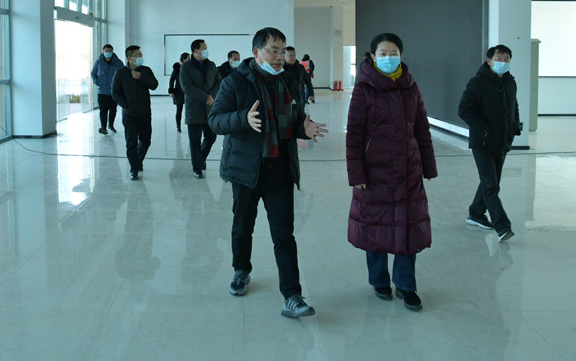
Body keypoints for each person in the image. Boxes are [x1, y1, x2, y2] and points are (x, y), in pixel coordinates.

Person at [208, 27, 328, 318]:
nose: (279, 57)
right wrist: (243, 118)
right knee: (242, 227)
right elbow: (215, 120)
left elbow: (295, 120)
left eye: (282, 51)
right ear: (256, 52)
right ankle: (241, 270)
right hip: (246, 169)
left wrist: (304, 129)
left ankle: (292, 295)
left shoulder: (288, 80)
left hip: (280, 169)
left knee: (284, 234)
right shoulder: (235, 82)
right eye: (273, 50)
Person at [345, 33, 437, 312]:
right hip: (375, 171)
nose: (388, 57)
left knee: (408, 227)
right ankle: (379, 280)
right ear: (373, 57)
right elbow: (354, 134)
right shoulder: (364, 89)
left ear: (401, 55)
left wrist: (428, 165)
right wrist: (356, 174)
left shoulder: (411, 86)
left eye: (393, 53)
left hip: (408, 169)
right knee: (375, 227)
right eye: (383, 53)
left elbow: (421, 127)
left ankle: (406, 285)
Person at [459, 44, 522, 242]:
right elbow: (464, 110)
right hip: (482, 143)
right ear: (489, 61)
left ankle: (476, 213)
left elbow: (513, 107)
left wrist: (515, 127)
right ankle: (502, 226)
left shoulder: (510, 82)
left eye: (507, 59)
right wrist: (483, 129)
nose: (503, 62)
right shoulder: (478, 82)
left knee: (491, 182)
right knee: (491, 186)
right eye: (499, 58)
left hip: (502, 142)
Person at [111, 45, 158, 181]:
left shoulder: (146, 70)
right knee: (131, 143)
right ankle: (134, 168)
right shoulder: (120, 73)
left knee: (146, 141)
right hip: (129, 115)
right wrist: (126, 105)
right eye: (137, 56)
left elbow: (154, 85)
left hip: (144, 113)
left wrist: (141, 77)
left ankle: (137, 161)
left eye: (140, 55)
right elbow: (115, 92)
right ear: (129, 58)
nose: (140, 58)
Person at [180, 39, 223, 179]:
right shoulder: (186, 67)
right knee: (195, 141)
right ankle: (197, 168)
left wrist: (212, 96)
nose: (206, 51)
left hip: (210, 109)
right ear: (195, 51)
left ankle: (200, 158)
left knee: (211, 137)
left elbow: (218, 81)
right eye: (203, 49)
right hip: (194, 109)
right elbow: (187, 87)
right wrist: (205, 97)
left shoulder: (211, 65)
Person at [90, 44, 124, 134]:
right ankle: (103, 127)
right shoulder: (98, 62)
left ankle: (111, 125)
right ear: (103, 52)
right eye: (106, 51)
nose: (108, 53)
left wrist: (121, 86)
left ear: (112, 52)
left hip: (114, 91)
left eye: (110, 51)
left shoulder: (118, 63)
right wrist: (96, 81)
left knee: (113, 109)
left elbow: (124, 75)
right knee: (103, 110)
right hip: (102, 91)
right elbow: (93, 73)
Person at [168, 53, 190, 132]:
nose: (189, 60)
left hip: (188, 91)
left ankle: (190, 125)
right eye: (188, 58)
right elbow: (171, 80)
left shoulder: (189, 67)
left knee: (189, 110)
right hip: (179, 92)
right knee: (179, 110)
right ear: (183, 59)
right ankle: (178, 126)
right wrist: (171, 91)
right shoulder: (177, 68)